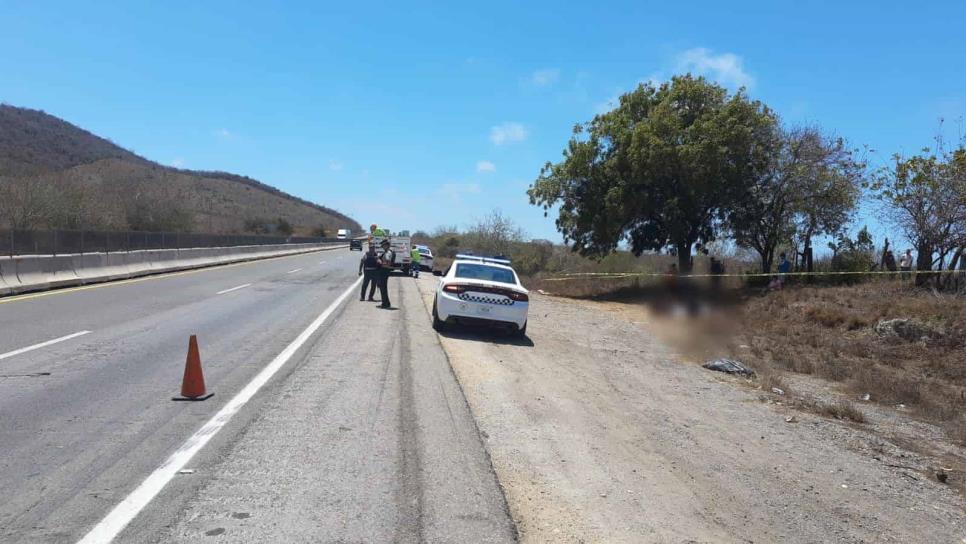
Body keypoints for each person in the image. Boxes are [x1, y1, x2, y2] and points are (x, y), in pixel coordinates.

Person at [377, 239, 395, 308]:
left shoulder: (388, 253)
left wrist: (380, 262)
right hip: (384, 271)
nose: (382, 247)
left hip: (384, 271)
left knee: (383, 288)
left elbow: (388, 263)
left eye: (383, 245)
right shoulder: (386, 252)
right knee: (383, 288)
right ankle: (385, 303)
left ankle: (385, 303)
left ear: (387, 245)